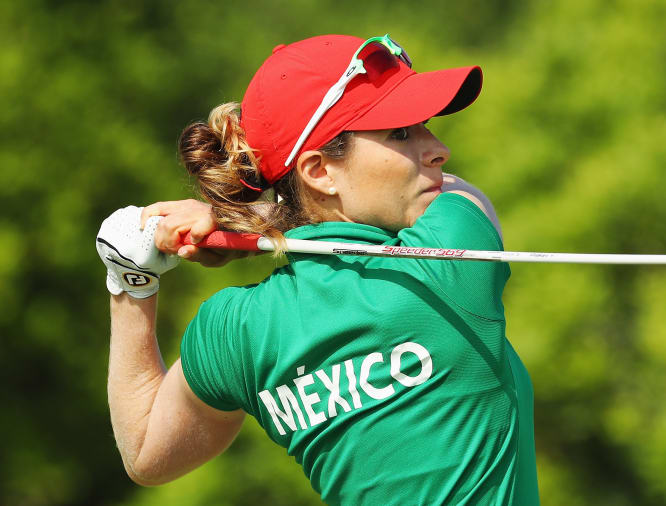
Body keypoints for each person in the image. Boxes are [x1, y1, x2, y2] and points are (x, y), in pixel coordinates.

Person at [95, 34, 539, 505]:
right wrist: (246, 224)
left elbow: (146, 453)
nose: (438, 148)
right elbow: (464, 194)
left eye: (423, 126)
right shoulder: (448, 259)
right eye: (402, 133)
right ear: (320, 171)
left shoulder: (237, 329)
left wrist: (131, 281)